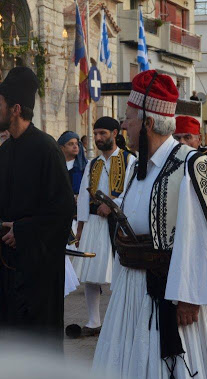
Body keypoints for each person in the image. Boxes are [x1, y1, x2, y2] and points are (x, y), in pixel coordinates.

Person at [93, 70, 207, 379]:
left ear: (148, 122)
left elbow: (204, 235)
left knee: (198, 368)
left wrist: (189, 296)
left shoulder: (191, 166)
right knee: (137, 367)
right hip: (137, 285)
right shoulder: (140, 165)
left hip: (182, 287)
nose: (125, 124)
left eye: (129, 117)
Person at [0, 67, 74, 347]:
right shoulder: (6, 152)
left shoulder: (47, 150)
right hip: (11, 270)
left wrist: (23, 229)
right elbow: (3, 202)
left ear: (16, 108)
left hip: (40, 273)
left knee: (37, 348)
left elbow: (63, 211)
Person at [72, 117, 136, 337]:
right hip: (94, 224)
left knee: (120, 272)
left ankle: (120, 322)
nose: (98, 138)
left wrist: (112, 206)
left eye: (103, 133)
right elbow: (82, 196)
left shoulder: (130, 160)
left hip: (119, 223)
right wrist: (80, 228)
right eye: (96, 134)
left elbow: (132, 191)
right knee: (91, 274)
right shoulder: (92, 163)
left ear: (115, 133)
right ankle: (93, 321)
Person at [58, 131, 88, 196]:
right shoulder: (56, 166)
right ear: (62, 148)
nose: (75, 146)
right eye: (71, 144)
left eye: (76, 144)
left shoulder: (85, 166)